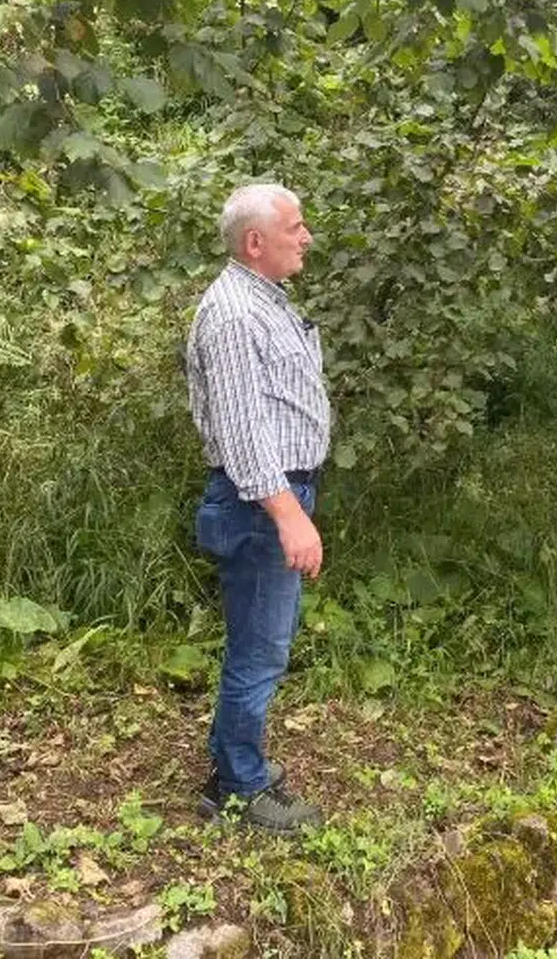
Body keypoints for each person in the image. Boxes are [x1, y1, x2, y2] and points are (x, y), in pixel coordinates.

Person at [185, 183, 330, 832]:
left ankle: (232, 765)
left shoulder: (263, 299)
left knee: (259, 642)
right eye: (295, 227)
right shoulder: (234, 316)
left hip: (274, 497)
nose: (306, 237)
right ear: (255, 241)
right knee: (260, 651)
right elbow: (243, 435)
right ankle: (238, 788)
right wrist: (289, 515)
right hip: (261, 504)